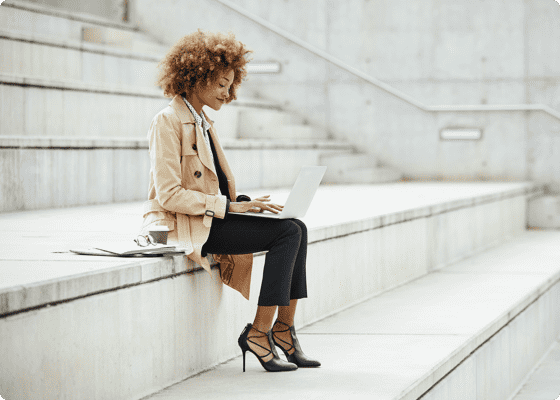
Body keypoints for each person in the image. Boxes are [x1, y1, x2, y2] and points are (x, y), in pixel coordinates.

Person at [140, 29, 320, 372]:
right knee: (289, 234)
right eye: (222, 84)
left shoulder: (204, 121)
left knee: (296, 225)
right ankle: (259, 333)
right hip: (191, 226)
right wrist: (231, 208)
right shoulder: (167, 121)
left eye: (230, 85)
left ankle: (283, 331)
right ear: (196, 77)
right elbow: (169, 194)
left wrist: (243, 203)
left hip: (215, 218)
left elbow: (215, 184)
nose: (228, 93)